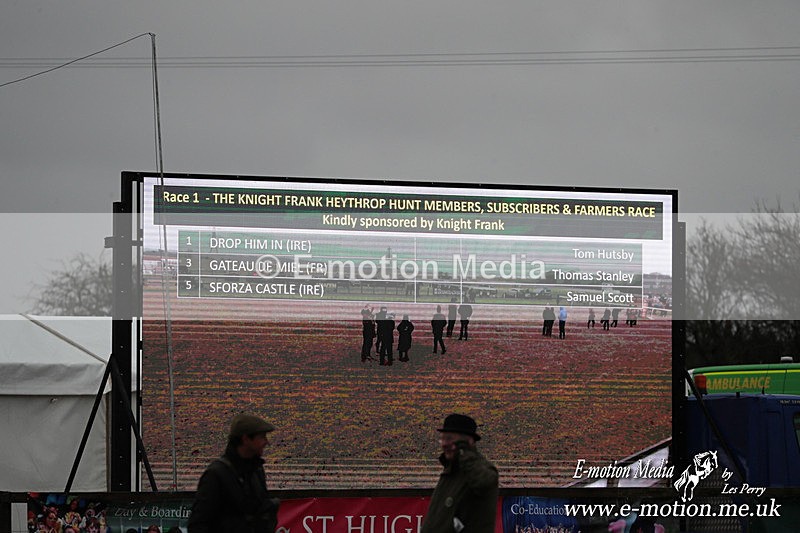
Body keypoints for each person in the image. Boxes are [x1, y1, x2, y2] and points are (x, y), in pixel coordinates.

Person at [188, 414, 280, 533]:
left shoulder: (256, 471)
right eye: (262, 437)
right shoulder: (216, 475)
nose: (266, 442)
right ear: (246, 439)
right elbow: (198, 525)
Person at [420, 414, 499, 533]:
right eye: (442, 438)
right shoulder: (450, 470)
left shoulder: (480, 469)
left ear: (468, 442)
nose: (444, 444)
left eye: (450, 438)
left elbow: (485, 482)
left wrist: (464, 453)